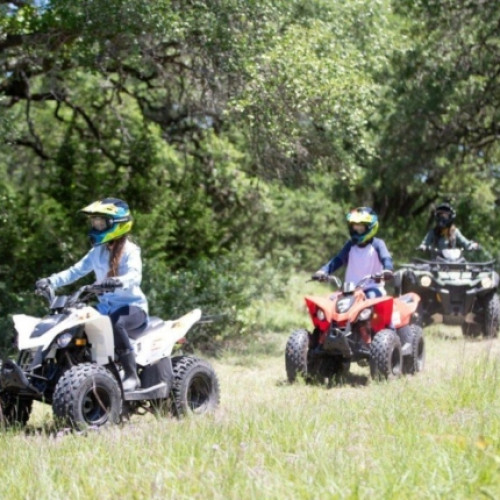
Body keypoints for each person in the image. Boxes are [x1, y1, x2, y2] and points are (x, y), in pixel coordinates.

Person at [35, 197, 148, 391]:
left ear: (117, 224)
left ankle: (131, 375)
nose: (95, 226)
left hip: (132, 308)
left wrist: (116, 281)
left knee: (115, 323)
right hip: (105, 308)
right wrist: (50, 281)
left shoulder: (131, 251)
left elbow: (134, 276)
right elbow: (75, 271)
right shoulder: (97, 252)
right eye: (94, 222)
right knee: (74, 322)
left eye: (100, 222)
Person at [313, 207, 393, 297]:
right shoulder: (350, 245)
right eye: (355, 225)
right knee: (330, 300)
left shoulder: (378, 244)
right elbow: (338, 260)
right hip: (350, 289)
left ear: (370, 227)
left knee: (370, 297)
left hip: (372, 288)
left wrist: (388, 270)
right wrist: (323, 271)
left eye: (361, 226)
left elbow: (386, 258)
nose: (357, 229)